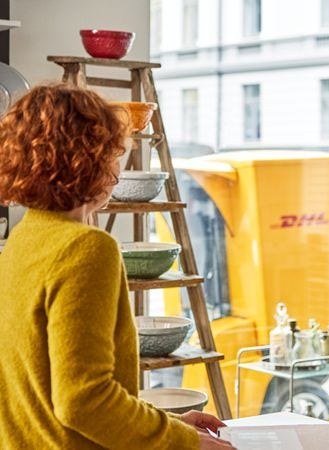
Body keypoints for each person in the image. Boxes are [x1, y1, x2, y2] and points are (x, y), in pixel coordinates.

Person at [0, 84, 234, 449]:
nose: (117, 164)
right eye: (114, 152)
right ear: (89, 160)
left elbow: (45, 394)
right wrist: (187, 443)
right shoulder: (87, 249)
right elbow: (84, 401)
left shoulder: (22, 240)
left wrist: (169, 424)